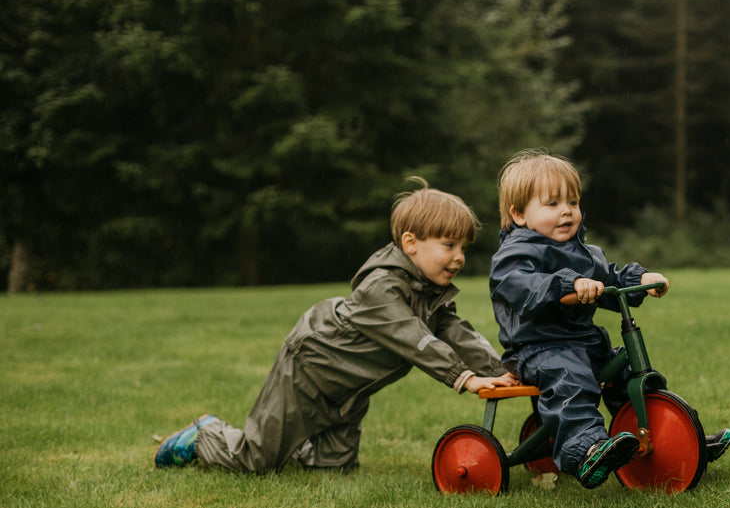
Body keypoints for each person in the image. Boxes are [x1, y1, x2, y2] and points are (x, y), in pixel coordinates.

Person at [155, 179, 517, 473]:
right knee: (255, 460)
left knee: (333, 467)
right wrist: (464, 377)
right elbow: (412, 337)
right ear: (411, 244)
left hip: (350, 390)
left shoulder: (429, 293)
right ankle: (204, 433)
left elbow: (456, 331)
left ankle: (294, 442)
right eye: (449, 245)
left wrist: (502, 369)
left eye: (463, 247)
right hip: (309, 372)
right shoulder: (381, 288)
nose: (459, 257)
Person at [489, 150, 730, 489]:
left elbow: (612, 277)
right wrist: (566, 284)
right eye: (552, 204)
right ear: (518, 214)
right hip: (538, 349)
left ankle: (670, 436)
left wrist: (641, 280)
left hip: (585, 343)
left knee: (627, 372)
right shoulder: (514, 256)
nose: (566, 211)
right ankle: (585, 450)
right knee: (571, 380)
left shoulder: (585, 254)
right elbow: (522, 286)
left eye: (572, 202)